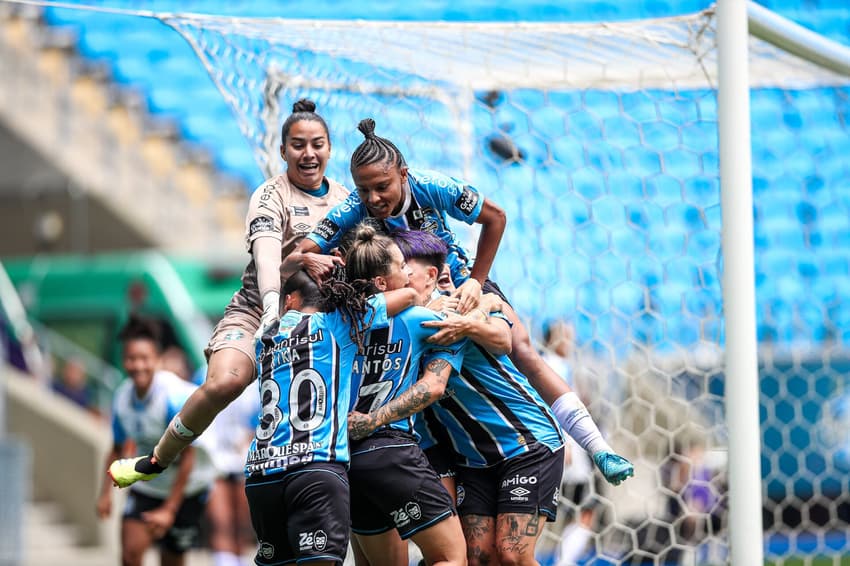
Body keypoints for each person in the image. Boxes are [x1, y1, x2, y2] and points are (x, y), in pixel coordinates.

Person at [287, 118, 633, 487]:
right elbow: (301, 252)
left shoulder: (432, 186)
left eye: (382, 186)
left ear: (403, 174)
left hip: (462, 284)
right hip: (411, 303)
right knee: (423, 388)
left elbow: (496, 217)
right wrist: (311, 257)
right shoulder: (354, 207)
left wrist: (475, 282)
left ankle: (597, 448)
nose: (373, 199)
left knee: (522, 349)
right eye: (364, 189)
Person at [107, 99, 350, 479]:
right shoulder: (270, 196)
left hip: (318, 315)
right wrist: (273, 302)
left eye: (317, 144)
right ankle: (156, 460)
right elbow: (268, 257)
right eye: (298, 145)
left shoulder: (344, 200)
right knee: (226, 382)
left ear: (330, 148)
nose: (308, 153)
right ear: (283, 150)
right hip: (258, 312)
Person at [348, 229, 565, 566]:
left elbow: (501, 340)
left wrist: (486, 304)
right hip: (469, 457)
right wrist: (485, 306)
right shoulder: (412, 318)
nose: (405, 274)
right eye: (399, 267)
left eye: (409, 267)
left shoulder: (439, 316)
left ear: (432, 275)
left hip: (525, 443)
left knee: (512, 555)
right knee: (474, 557)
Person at [244, 269, 417, 566]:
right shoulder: (337, 323)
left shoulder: (263, 337)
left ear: (290, 301)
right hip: (315, 469)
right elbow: (408, 295)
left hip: (262, 475)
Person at [97, 315, 216, 566]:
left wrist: (169, 510)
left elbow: (189, 456)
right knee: (129, 555)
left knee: (171, 560)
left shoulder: (173, 396)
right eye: (131, 359)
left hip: (189, 487)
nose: (138, 365)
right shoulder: (121, 399)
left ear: (157, 361)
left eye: (145, 359)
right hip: (149, 485)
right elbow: (116, 448)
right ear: (123, 361)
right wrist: (104, 494)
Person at [202, 385, 259, 566]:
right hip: (215, 461)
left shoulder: (256, 383)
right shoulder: (204, 376)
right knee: (221, 524)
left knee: (242, 528)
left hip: (245, 462)